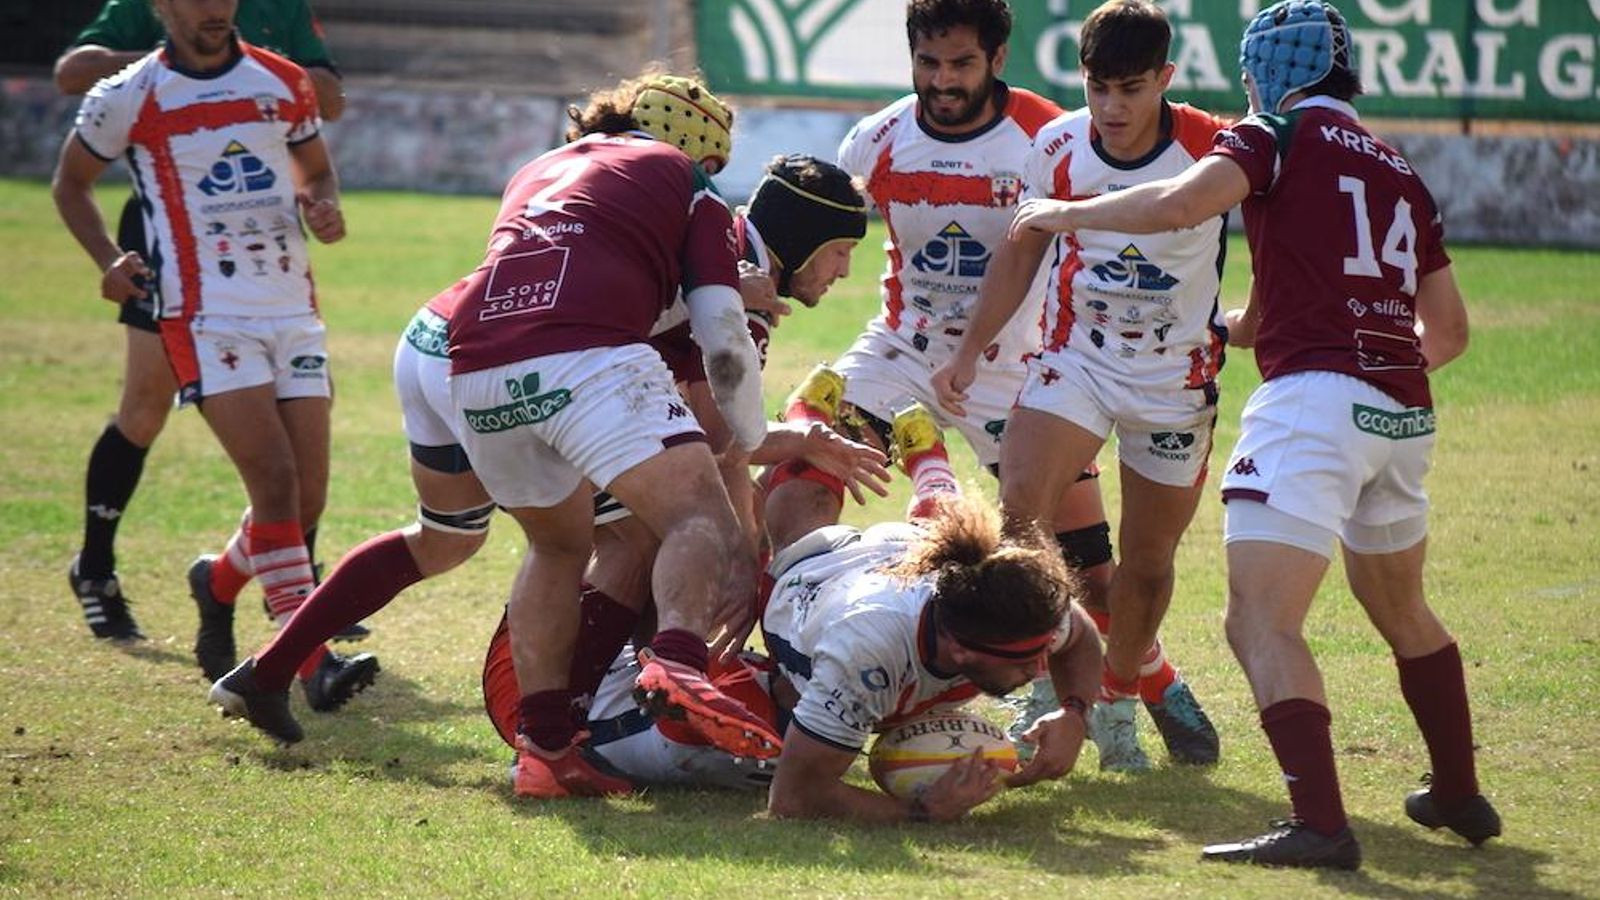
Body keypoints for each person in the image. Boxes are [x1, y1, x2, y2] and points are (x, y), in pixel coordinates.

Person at [1003, 0, 1497, 869]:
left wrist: (1065, 214)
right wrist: (1284, 338)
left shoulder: (1274, 134)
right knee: (1402, 609)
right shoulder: (1397, 169)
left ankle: (1321, 827)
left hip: (1314, 406)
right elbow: (1447, 334)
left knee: (1258, 623)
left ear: (1267, 72)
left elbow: (1183, 203)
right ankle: (1456, 788)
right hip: (1403, 412)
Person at [209, 151, 886, 753]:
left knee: (452, 540)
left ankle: (271, 670)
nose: (846, 270)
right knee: (644, 533)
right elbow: (719, 437)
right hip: (551, 354)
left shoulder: (580, 179)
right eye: (839, 251)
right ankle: (605, 702)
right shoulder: (719, 245)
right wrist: (759, 521)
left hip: (448, 339)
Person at [52, 0, 376, 709]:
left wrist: (323, 207)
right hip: (203, 315)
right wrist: (107, 259)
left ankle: (218, 580)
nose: (216, 9)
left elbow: (315, 170)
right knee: (276, 480)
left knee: (308, 494)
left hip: (293, 308)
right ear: (160, 6)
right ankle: (306, 661)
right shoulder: (129, 94)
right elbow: (70, 183)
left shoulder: (283, 80)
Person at [931, 0, 1223, 771]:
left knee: (1148, 560)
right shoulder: (1057, 146)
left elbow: (1284, 234)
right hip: (1077, 361)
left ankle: (1125, 692)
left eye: (1131, 88)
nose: (1112, 107)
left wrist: (1262, 317)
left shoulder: (1213, 145)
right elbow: (1021, 254)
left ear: (1166, 78)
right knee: (1023, 516)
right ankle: (1049, 677)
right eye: (1098, 87)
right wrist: (969, 351)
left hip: (1174, 380)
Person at [763, 484, 1102, 822]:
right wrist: (923, 811)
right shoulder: (868, 650)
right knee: (760, 741)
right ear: (959, 648)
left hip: (897, 552)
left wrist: (1074, 713)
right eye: (1024, 661)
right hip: (809, 573)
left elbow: (1081, 634)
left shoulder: (1014, 612)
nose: (1041, 668)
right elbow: (793, 798)